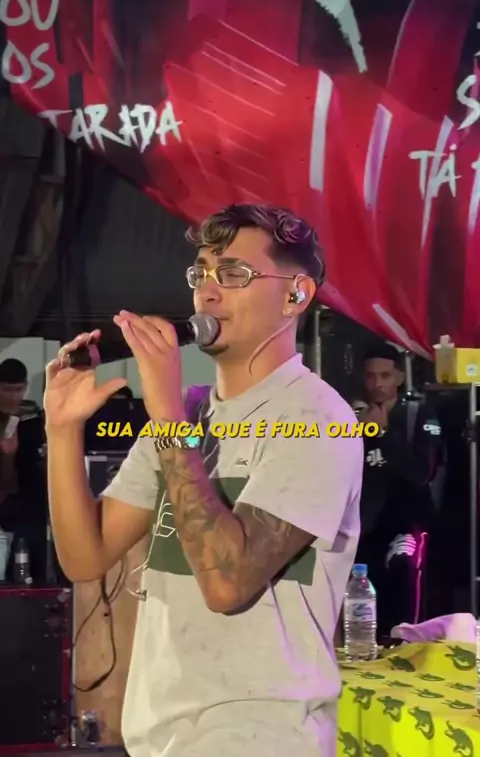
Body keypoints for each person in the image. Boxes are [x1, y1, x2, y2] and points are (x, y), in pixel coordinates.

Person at [44, 203, 364, 757]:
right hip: (161, 733)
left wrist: (167, 418)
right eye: (201, 274)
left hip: (260, 736)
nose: (208, 293)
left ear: (295, 295)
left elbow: (226, 584)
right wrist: (63, 428)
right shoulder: (187, 411)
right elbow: (84, 557)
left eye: (233, 274)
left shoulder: (317, 418)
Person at [355, 342, 443, 635]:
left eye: (385, 376)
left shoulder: (418, 414)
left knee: (404, 582)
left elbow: (422, 472)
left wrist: (383, 432)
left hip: (407, 523)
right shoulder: (352, 415)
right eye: (371, 376)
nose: (377, 384)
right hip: (366, 526)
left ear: (399, 377)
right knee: (364, 599)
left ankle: (407, 643)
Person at [0, 358, 47, 582]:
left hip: (30, 511)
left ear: (26, 387)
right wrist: (8, 456)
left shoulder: (33, 421)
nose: (12, 396)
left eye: (17, 390)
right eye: (6, 390)